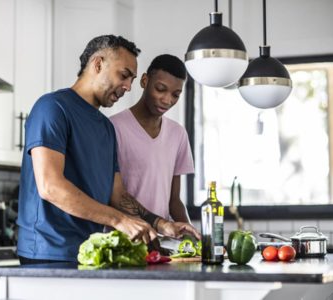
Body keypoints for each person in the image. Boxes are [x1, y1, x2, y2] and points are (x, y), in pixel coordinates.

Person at [17, 35, 199, 264]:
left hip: (92, 254)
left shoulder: (105, 127)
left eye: (131, 79)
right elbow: (50, 187)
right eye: (124, 75)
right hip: (47, 254)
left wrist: (161, 224)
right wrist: (120, 221)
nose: (128, 86)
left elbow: (119, 195)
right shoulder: (52, 108)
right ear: (98, 64)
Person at [110, 54, 198, 229]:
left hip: (162, 244)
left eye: (176, 95)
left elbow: (174, 201)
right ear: (144, 81)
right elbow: (113, 195)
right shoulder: (113, 128)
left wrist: (193, 238)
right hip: (123, 241)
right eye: (160, 89)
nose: (167, 100)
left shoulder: (178, 134)